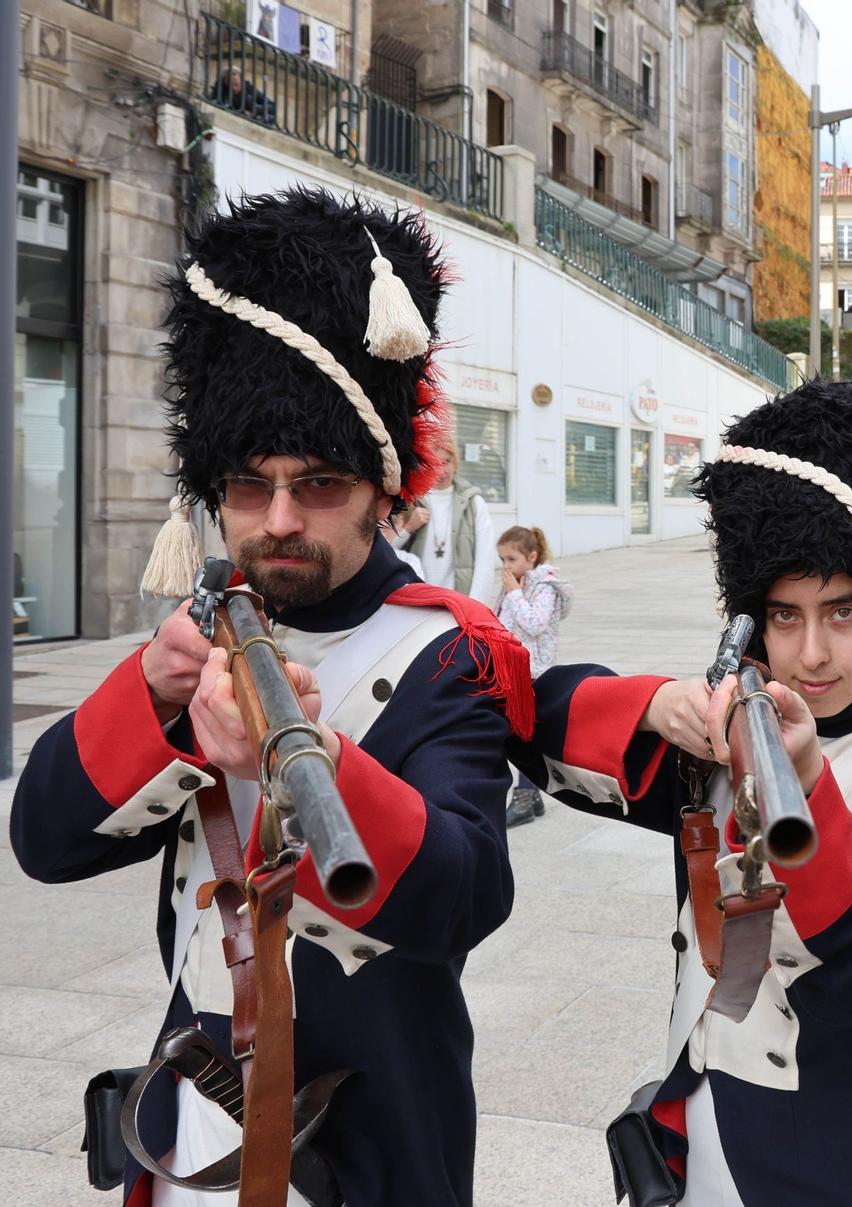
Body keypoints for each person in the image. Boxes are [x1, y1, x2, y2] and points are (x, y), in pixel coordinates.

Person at [11, 190, 529, 1206]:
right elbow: (44, 840)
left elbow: (466, 897)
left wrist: (304, 761)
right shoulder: (201, 635)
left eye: (320, 483)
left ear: (385, 489)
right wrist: (152, 695)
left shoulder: (452, 652)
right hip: (190, 1134)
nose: (279, 518)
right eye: (249, 485)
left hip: (368, 1148)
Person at [515, 378, 852, 1204]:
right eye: (785, 616)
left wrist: (809, 779)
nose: (813, 652)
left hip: (850, 1162)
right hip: (709, 1135)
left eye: (843, 612)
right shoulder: (722, 739)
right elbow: (526, 719)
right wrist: (656, 705)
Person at [495, 524, 573, 827]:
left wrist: (514, 594)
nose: (506, 566)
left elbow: (534, 624)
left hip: (534, 671)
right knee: (515, 733)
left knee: (523, 733)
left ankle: (524, 797)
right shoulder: (515, 581)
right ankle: (531, 795)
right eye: (502, 559)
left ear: (532, 556)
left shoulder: (544, 587)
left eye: (511, 559)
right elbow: (502, 621)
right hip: (510, 669)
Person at [408, 443, 497, 606]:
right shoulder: (411, 500)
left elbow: (485, 559)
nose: (441, 471)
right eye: (433, 464)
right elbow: (389, 548)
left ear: (455, 463)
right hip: (418, 603)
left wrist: (474, 606)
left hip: (458, 602)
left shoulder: (474, 503)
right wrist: (408, 528)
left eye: (446, 462)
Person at [207, 64, 276, 124]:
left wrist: (254, 111)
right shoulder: (221, 91)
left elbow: (272, 106)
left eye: (236, 84)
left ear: (241, 80)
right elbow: (211, 100)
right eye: (231, 85)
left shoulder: (249, 90)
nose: (234, 88)